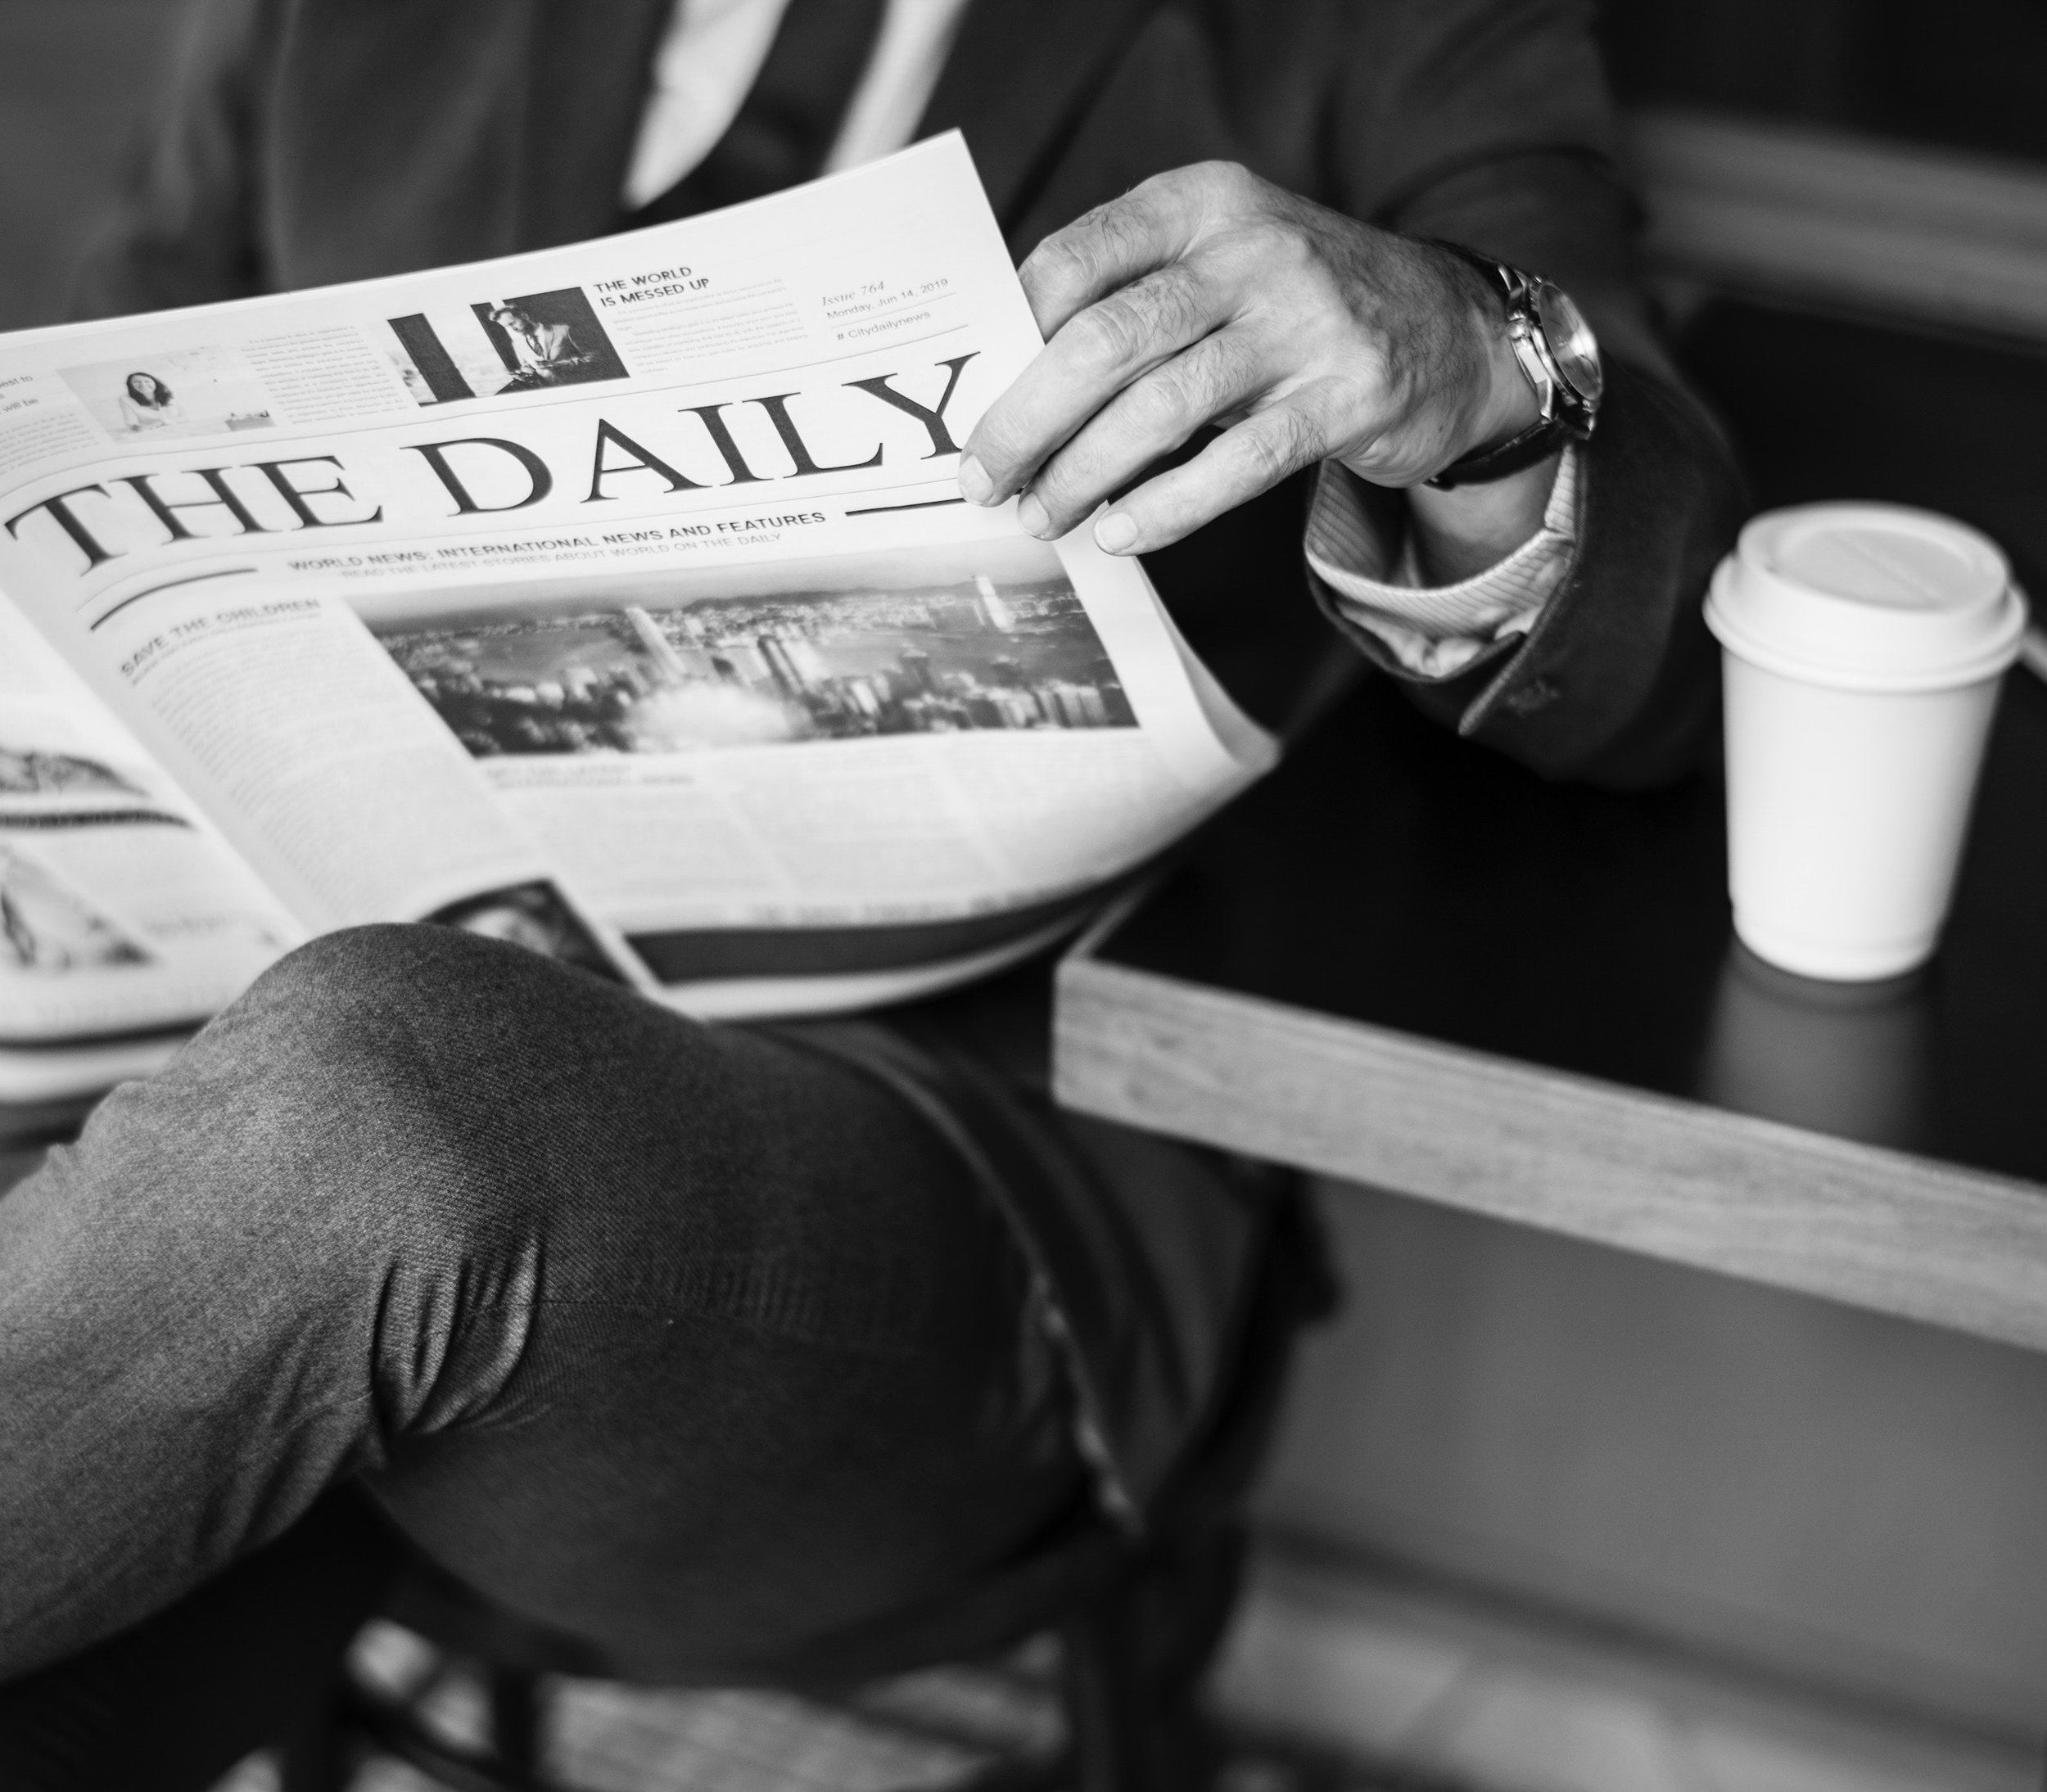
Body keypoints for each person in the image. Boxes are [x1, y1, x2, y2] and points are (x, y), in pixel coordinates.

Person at [2, 0, 1745, 1784]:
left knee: (353, 1115)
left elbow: (1669, 654)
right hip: (217, 1174)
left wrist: (1472, 363)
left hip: (941, 1173)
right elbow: (65, 468)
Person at [486, 303, 601, 387]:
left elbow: (594, 358)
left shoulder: (564, 331)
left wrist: (558, 365)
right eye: (508, 327)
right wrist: (525, 374)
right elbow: (528, 367)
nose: (513, 329)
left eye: (513, 323)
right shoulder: (518, 344)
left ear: (524, 316)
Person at [113, 370, 184, 431]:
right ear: (131, 386)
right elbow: (132, 423)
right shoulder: (126, 399)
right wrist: (139, 428)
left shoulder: (169, 394)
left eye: (147, 381)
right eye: (137, 382)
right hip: (151, 433)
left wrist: (168, 422)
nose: (143, 384)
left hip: (177, 429)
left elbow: (186, 416)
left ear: (155, 383)